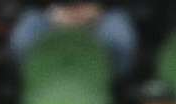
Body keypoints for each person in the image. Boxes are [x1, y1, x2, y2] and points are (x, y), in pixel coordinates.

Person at [10, 1, 138, 76]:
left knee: (119, 39)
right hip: (50, 14)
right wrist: (53, 14)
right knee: (22, 40)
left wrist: (96, 12)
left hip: (101, 15)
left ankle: (98, 80)